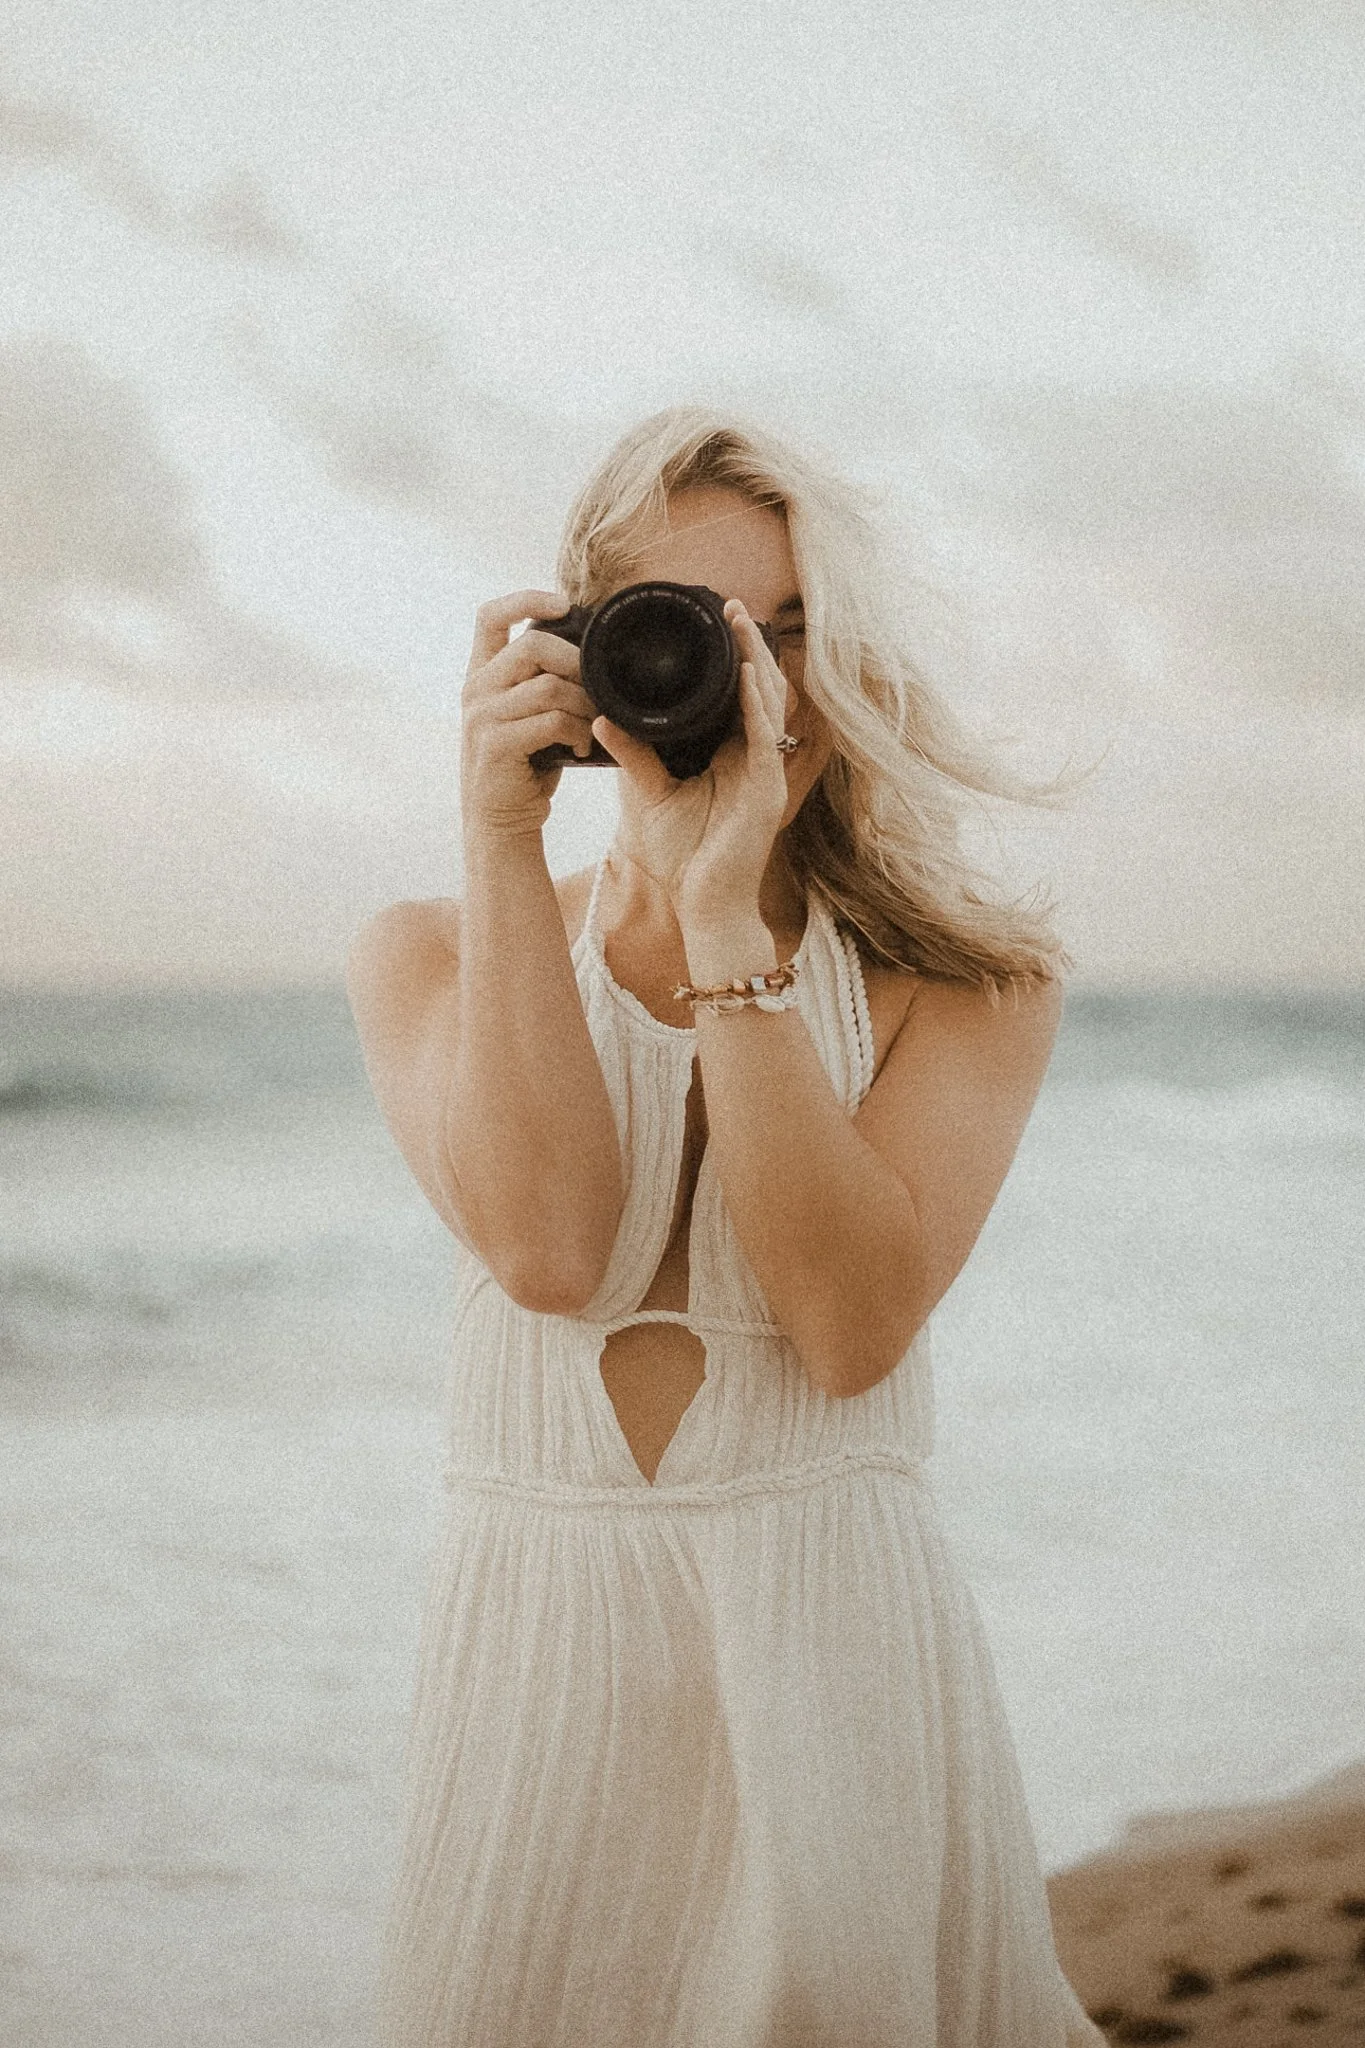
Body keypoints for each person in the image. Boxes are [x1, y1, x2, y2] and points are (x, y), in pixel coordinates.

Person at [346, 406, 1106, 2047]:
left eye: (796, 638)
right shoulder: (424, 955)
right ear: (584, 654)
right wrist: (498, 831)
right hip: (545, 1672)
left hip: (831, 1647)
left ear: (854, 671)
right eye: (691, 632)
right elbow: (551, 1250)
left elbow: (847, 1326)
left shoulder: (969, 983)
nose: (750, 683)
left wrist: (720, 921)